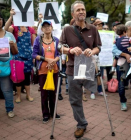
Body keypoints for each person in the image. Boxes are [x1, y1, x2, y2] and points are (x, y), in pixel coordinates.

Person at [58, 1, 101, 138]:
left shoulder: (93, 29)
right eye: (78, 10)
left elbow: (98, 47)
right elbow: (59, 47)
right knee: (75, 99)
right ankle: (81, 124)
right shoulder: (67, 29)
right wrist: (69, 50)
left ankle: (83, 121)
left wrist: (92, 51)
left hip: (89, 68)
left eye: (83, 9)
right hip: (72, 70)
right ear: (73, 13)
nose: (81, 12)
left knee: (94, 93)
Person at [4, 9, 36, 103]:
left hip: (28, 57)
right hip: (17, 57)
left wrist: (33, 57)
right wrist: (11, 16)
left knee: (27, 77)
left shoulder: (30, 29)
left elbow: (33, 44)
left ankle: (28, 95)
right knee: (18, 77)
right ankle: (18, 96)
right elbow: (4, 30)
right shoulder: (14, 27)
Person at [32, 20, 60, 123]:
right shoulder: (38, 40)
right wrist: (47, 59)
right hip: (43, 71)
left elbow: (60, 54)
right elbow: (34, 54)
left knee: (53, 92)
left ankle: (53, 112)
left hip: (54, 70)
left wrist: (54, 60)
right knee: (44, 93)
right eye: (44, 26)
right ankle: (45, 114)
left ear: (52, 28)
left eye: (49, 26)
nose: (47, 28)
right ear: (42, 29)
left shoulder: (56, 40)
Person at [112, 20, 131, 110]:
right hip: (122, 64)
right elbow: (114, 50)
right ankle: (123, 102)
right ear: (129, 27)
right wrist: (126, 54)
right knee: (121, 84)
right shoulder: (118, 38)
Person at [0, 13, 18, 117]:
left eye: (0, 19)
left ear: (2, 20)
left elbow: (15, 52)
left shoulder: (9, 35)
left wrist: (12, 46)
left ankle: (10, 109)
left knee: (7, 90)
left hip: (6, 68)